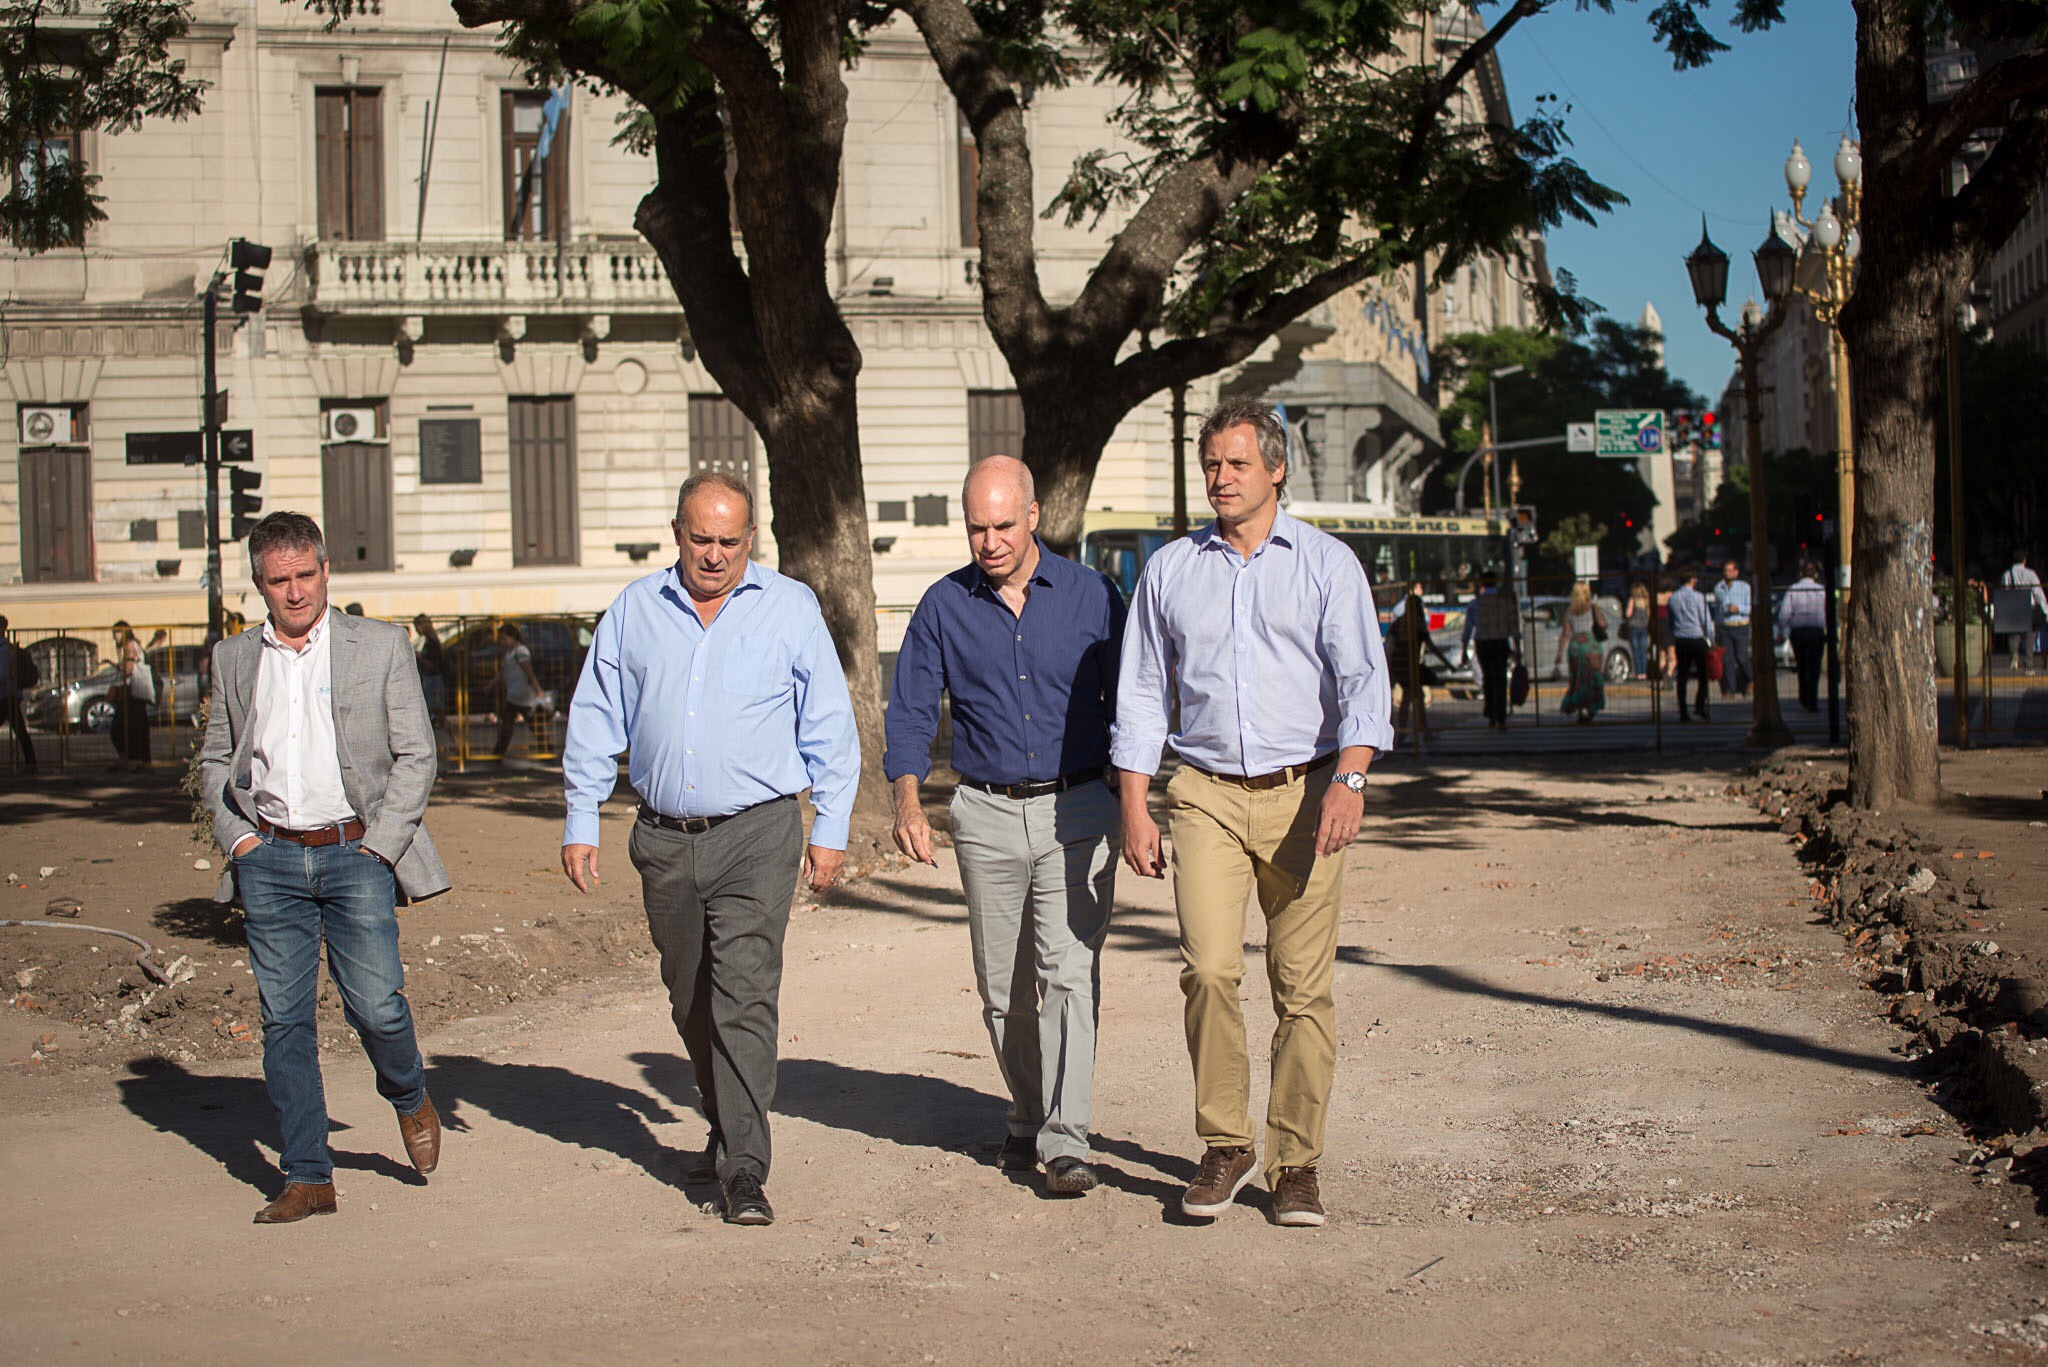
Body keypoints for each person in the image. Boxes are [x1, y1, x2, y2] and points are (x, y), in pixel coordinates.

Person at [1113, 395, 1393, 1229]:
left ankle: (1295, 1161)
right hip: (1202, 791)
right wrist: (1135, 803)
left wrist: (1350, 779)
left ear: (1277, 469)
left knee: (1302, 989)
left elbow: (1363, 682)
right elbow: (1139, 691)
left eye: (1237, 464)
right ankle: (1225, 1142)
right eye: (1211, 464)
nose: (1220, 478)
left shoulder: (1326, 564)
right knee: (1208, 967)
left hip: (1305, 791)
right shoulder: (1170, 570)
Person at [560, 472, 859, 1228]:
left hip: (758, 831)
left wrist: (829, 829)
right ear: (677, 532)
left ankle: (746, 1169)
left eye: (730, 541)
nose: (716, 555)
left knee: (745, 995)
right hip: (663, 838)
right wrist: (580, 817)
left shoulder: (789, 607)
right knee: (691, 998)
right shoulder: (635, 610)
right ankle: (727, 1124)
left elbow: (829, 721)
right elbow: (596, 714)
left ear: (750, 539)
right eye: (702, 539)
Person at [195, 512, 449, 1224]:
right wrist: (238, 840)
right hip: (269, 855)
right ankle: (309, 1174)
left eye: (306, 575)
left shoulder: (380, 646)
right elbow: (217, 759)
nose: (295, 591)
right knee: (285, 1021)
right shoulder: (235, 657)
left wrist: (381, 845)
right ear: (260, 585)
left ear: (325, 570)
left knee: (375, 1003)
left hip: (356, 852)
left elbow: (417, 754)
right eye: (279, 581)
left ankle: (407, 1093)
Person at [885, 455, 1126, 1197]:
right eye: (975, 527)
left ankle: (1066, 1136)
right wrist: (906, 799)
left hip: (1079, 808)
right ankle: (1027, 1111)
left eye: (1001, 526)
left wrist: (1137, 798)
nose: (987, 542)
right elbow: (911, 711)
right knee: (1003, 989)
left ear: (1033, 518)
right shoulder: (942, 607)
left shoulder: (1094, 597)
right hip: (984, 810)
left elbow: (1137, 699)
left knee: (1067, 971)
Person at [1386, 582, 1455, 742]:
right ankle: (1420, 733)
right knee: (1414, 699)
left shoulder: (1397, 624)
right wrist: (1448, 664)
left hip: (1399, 665)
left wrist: (1388, 666)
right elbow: (1433, 648)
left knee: (1409, 698)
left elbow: (1389, 647)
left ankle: (1405, 733)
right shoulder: (1418, 626)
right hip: (1412, 666)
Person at [1460, 572, 1520, 731]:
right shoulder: (1504, 603)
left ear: (1482, 583)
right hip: (1500, 642)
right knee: (1500, 679)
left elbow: (1467, 630)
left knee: (1488, 678)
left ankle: (1491, 715)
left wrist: (1463, 650)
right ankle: (1501, 716)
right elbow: (1513, 627)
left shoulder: (1475, 604)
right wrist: (1517, 649)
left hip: (1484, 643)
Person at [1552, 582, 1608, 723]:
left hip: (1576, 647)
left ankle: (1580, 708)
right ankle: (1591, 707)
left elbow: (1565, 634)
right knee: (1592, 678)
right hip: (1591, 647)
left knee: (1578, 680)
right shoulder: (1593, 608)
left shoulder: (1570, 612)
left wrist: (1559, 654)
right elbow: (1603, 624)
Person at [1776, 560, 1828, 712]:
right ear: (1816, 575)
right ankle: (1812, 698)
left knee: (1802, 665)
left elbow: (1785, 612)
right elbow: (1827, 611)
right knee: (1814, 667)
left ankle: (1803, 695)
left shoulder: (1793, 589)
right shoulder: (1821, 590)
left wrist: (1781, 630)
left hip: (1799, 632)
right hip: (1816, 631)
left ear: (1801, 574)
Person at [487, 622, 545, 757]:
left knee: (530, 725)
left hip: (523, 695)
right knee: (509, 726)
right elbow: (503, 672)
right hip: (513, 695)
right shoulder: (509, 652)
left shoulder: (521, 651)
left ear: (511, 637)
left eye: (503, 638)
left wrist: (537, 689)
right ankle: (498, 753)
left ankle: (545, 747)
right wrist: (491, 685)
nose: (502, 641)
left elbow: (529, 671)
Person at [1668, 566, 1713, 722]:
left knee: (1683, 676)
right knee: (1702, 675)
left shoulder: (1673, 598)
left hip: (1681, 639)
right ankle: (1699, 706)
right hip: (1696, 638)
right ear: (1693, 579)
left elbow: (1670, 621)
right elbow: (1705, 619)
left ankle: (1683, 710)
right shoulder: (1698, 597)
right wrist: (1711, 639)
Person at [0, 614, 39, 772]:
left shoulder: (3, 651)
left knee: (20, 730)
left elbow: (2, 675)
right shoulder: (8, 648)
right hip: (11, 695)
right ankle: (31, 763)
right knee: (20, 730)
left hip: (4, 695)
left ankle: (31, 763)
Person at [1711, 560, 1753, 697]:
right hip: (1725, 627)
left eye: (1730, 570)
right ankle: (1730, 689)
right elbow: (1717, 610)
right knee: (1727, 660)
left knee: (1742, 658)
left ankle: (1751, 680)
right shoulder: (1718, 588)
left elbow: (1750, 607)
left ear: (1736, 572)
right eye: (1726, 570)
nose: (1727, 573)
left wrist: (1738, 609)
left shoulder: (1744, 587)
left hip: (1740, 625)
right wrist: (1716, 628)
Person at [2001, 550, 2047, 673]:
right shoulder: (2031, 574)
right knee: (2029, 636)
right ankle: (2029, 664)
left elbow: (2005, 591)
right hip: (2028, 606)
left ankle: (2014, 656)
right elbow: (2037, 592)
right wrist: (2045, 609)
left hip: (2013, 606)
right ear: (2024, 560)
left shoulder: (2007, 574)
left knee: (2013, 634)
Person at [413, 614, 451, 734]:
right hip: (431, 679)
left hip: (433, 680)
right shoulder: (431, 641)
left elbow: (432, 665)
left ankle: (457, 740)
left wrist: (420, 657)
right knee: (431, 714)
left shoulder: (430, 643)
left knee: (438, 715)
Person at [1624, 582, 1652, 681]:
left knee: (1636, 651)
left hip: (1634, 627)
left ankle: (1638, 673)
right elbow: (1649, 615)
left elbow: (1628, 614)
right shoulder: (1646, 601)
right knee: (1643, 651)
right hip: (1644, 627)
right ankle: (1644, 673)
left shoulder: (1632, 600)